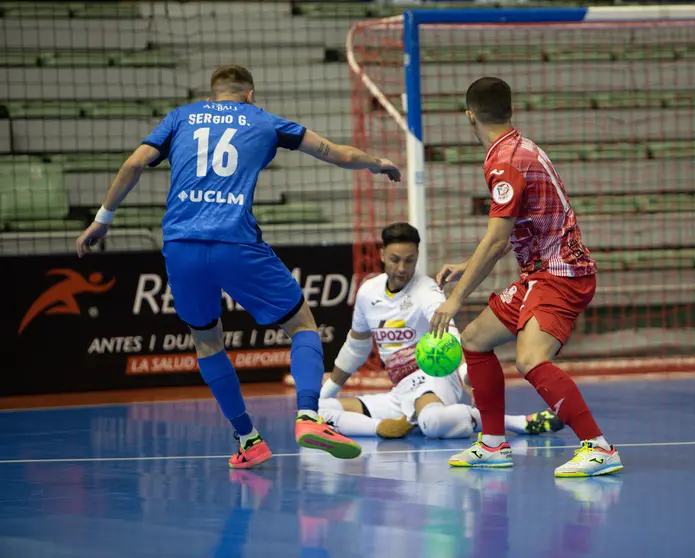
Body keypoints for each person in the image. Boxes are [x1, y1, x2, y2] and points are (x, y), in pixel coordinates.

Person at [76, 65, 401, 469]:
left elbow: (135, 163)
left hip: (181, 246)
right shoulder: (265, 119)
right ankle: (307, 417)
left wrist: (102, 220)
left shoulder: (181, 117)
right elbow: (336, 153)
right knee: (302, 325)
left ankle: (249, 438)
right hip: (236, 242)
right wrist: (376, 163)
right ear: (249, 95)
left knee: (207, 341)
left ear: (213, 97)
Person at [428, 77, 623, 477]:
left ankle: (599, 447)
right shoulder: (520, 147)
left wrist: (456, 298)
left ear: (469, 116)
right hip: (542, 273)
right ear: (510, 110)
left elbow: (499, 240)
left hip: (560, 275)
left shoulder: (505, 162)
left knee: (530, 359)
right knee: (475, 341)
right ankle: (493, 444)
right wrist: (469, 264)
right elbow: (515, 229)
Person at [318, 222, 564, 441]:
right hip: (400, 390)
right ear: (382, 254)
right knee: (320, 410)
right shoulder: (368, 292)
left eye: (409, 260)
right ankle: (382, 427)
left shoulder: (428, 290)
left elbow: (450, 336)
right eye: (395, 259)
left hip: (433, 377)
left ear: (417, 256)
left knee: (433, 423)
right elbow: (356, 346)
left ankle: (514, 423)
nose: (402, 268)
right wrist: (328, 391)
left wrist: (469, 375)